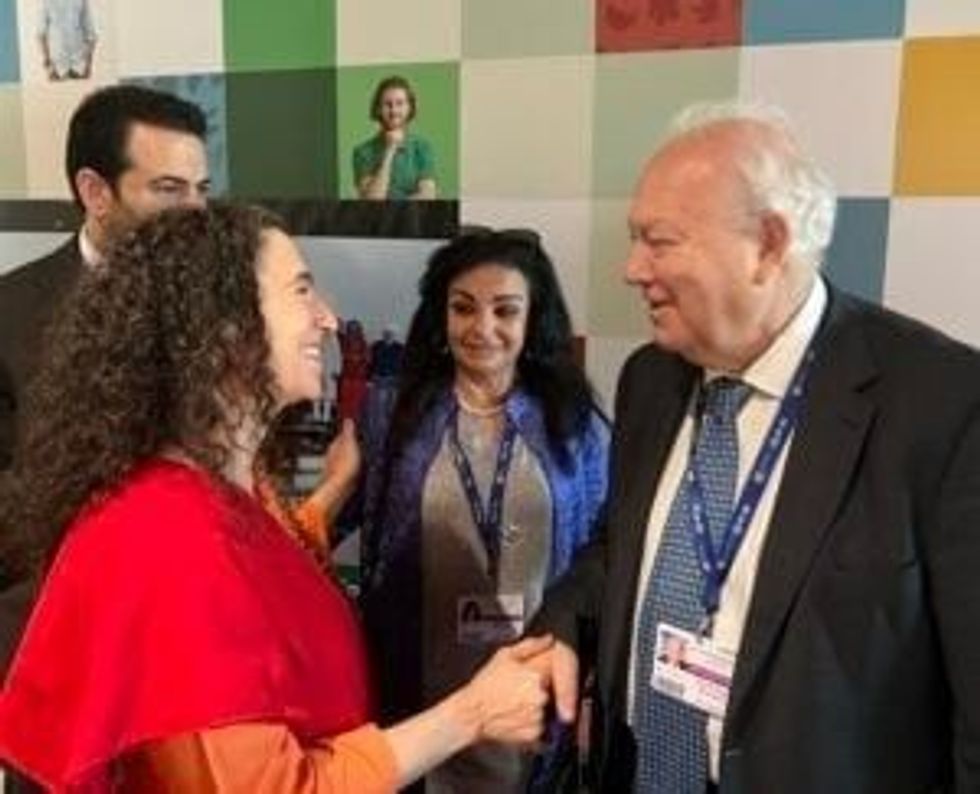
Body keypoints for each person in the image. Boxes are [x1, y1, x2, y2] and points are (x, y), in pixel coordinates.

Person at [0, 204, 552, 792]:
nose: (329, 319)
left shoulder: (228, 484)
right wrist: (472, 713)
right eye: (302, 292)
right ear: (224, 329)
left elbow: (259, 585)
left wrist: (326, 502)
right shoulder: (168, 541)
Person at [529, 102, 980, 793]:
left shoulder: (942, 404)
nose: (631, 269)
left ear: (769, 244)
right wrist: (563, 623)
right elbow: (620, 546)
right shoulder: (650, 378)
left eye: (660, 241)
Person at [359, 229, 610, 792]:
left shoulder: (574, 424)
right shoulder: (391, 412)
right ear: (441, 316)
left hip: (532, 690)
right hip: (420, 689)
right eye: (463, 308)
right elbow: (354, 524)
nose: (483, 328)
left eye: (505, 310)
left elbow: (602, 548)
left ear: (532, 320)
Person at [353, 75, 437, 200]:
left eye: (400, 103)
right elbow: (372, 201)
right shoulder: (362, 152)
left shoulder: (423, 147)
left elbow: (428, 196)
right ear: (378, 109)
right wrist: (390, 149)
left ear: (409, 108)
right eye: (387, 104)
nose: (394, 111)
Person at [37, 0, 97, 80]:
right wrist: (48, 66)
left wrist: (88, 66)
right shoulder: (47, 2)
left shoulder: (82, 1)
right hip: (57, 68)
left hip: (79, 66)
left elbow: (90, 33)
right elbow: (41, 34)